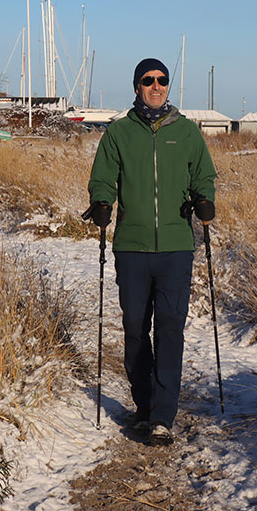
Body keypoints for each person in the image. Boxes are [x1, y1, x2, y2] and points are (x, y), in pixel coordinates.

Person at [84, 57, 216, 444]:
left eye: (162, 80)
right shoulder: (119, 133)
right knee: (135, 329)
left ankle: (163, 415)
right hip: (133, 246)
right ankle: (144, 405)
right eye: (148, 80)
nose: (156, 86)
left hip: (176, 246)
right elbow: (102, 178)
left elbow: (203, 175)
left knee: (171, 328)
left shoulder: (188, 132)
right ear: (137, 85)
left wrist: (205, 200)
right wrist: (102, 203)